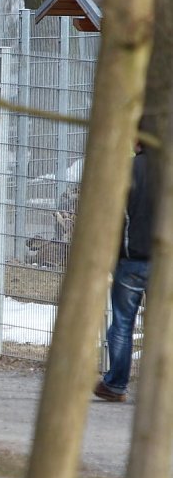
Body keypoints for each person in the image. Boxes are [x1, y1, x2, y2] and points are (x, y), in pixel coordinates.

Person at [94, 142, 154, 402]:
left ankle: (116, 385)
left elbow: (112, 218)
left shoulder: (127, 170)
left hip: (131, 259)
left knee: (122, 323)